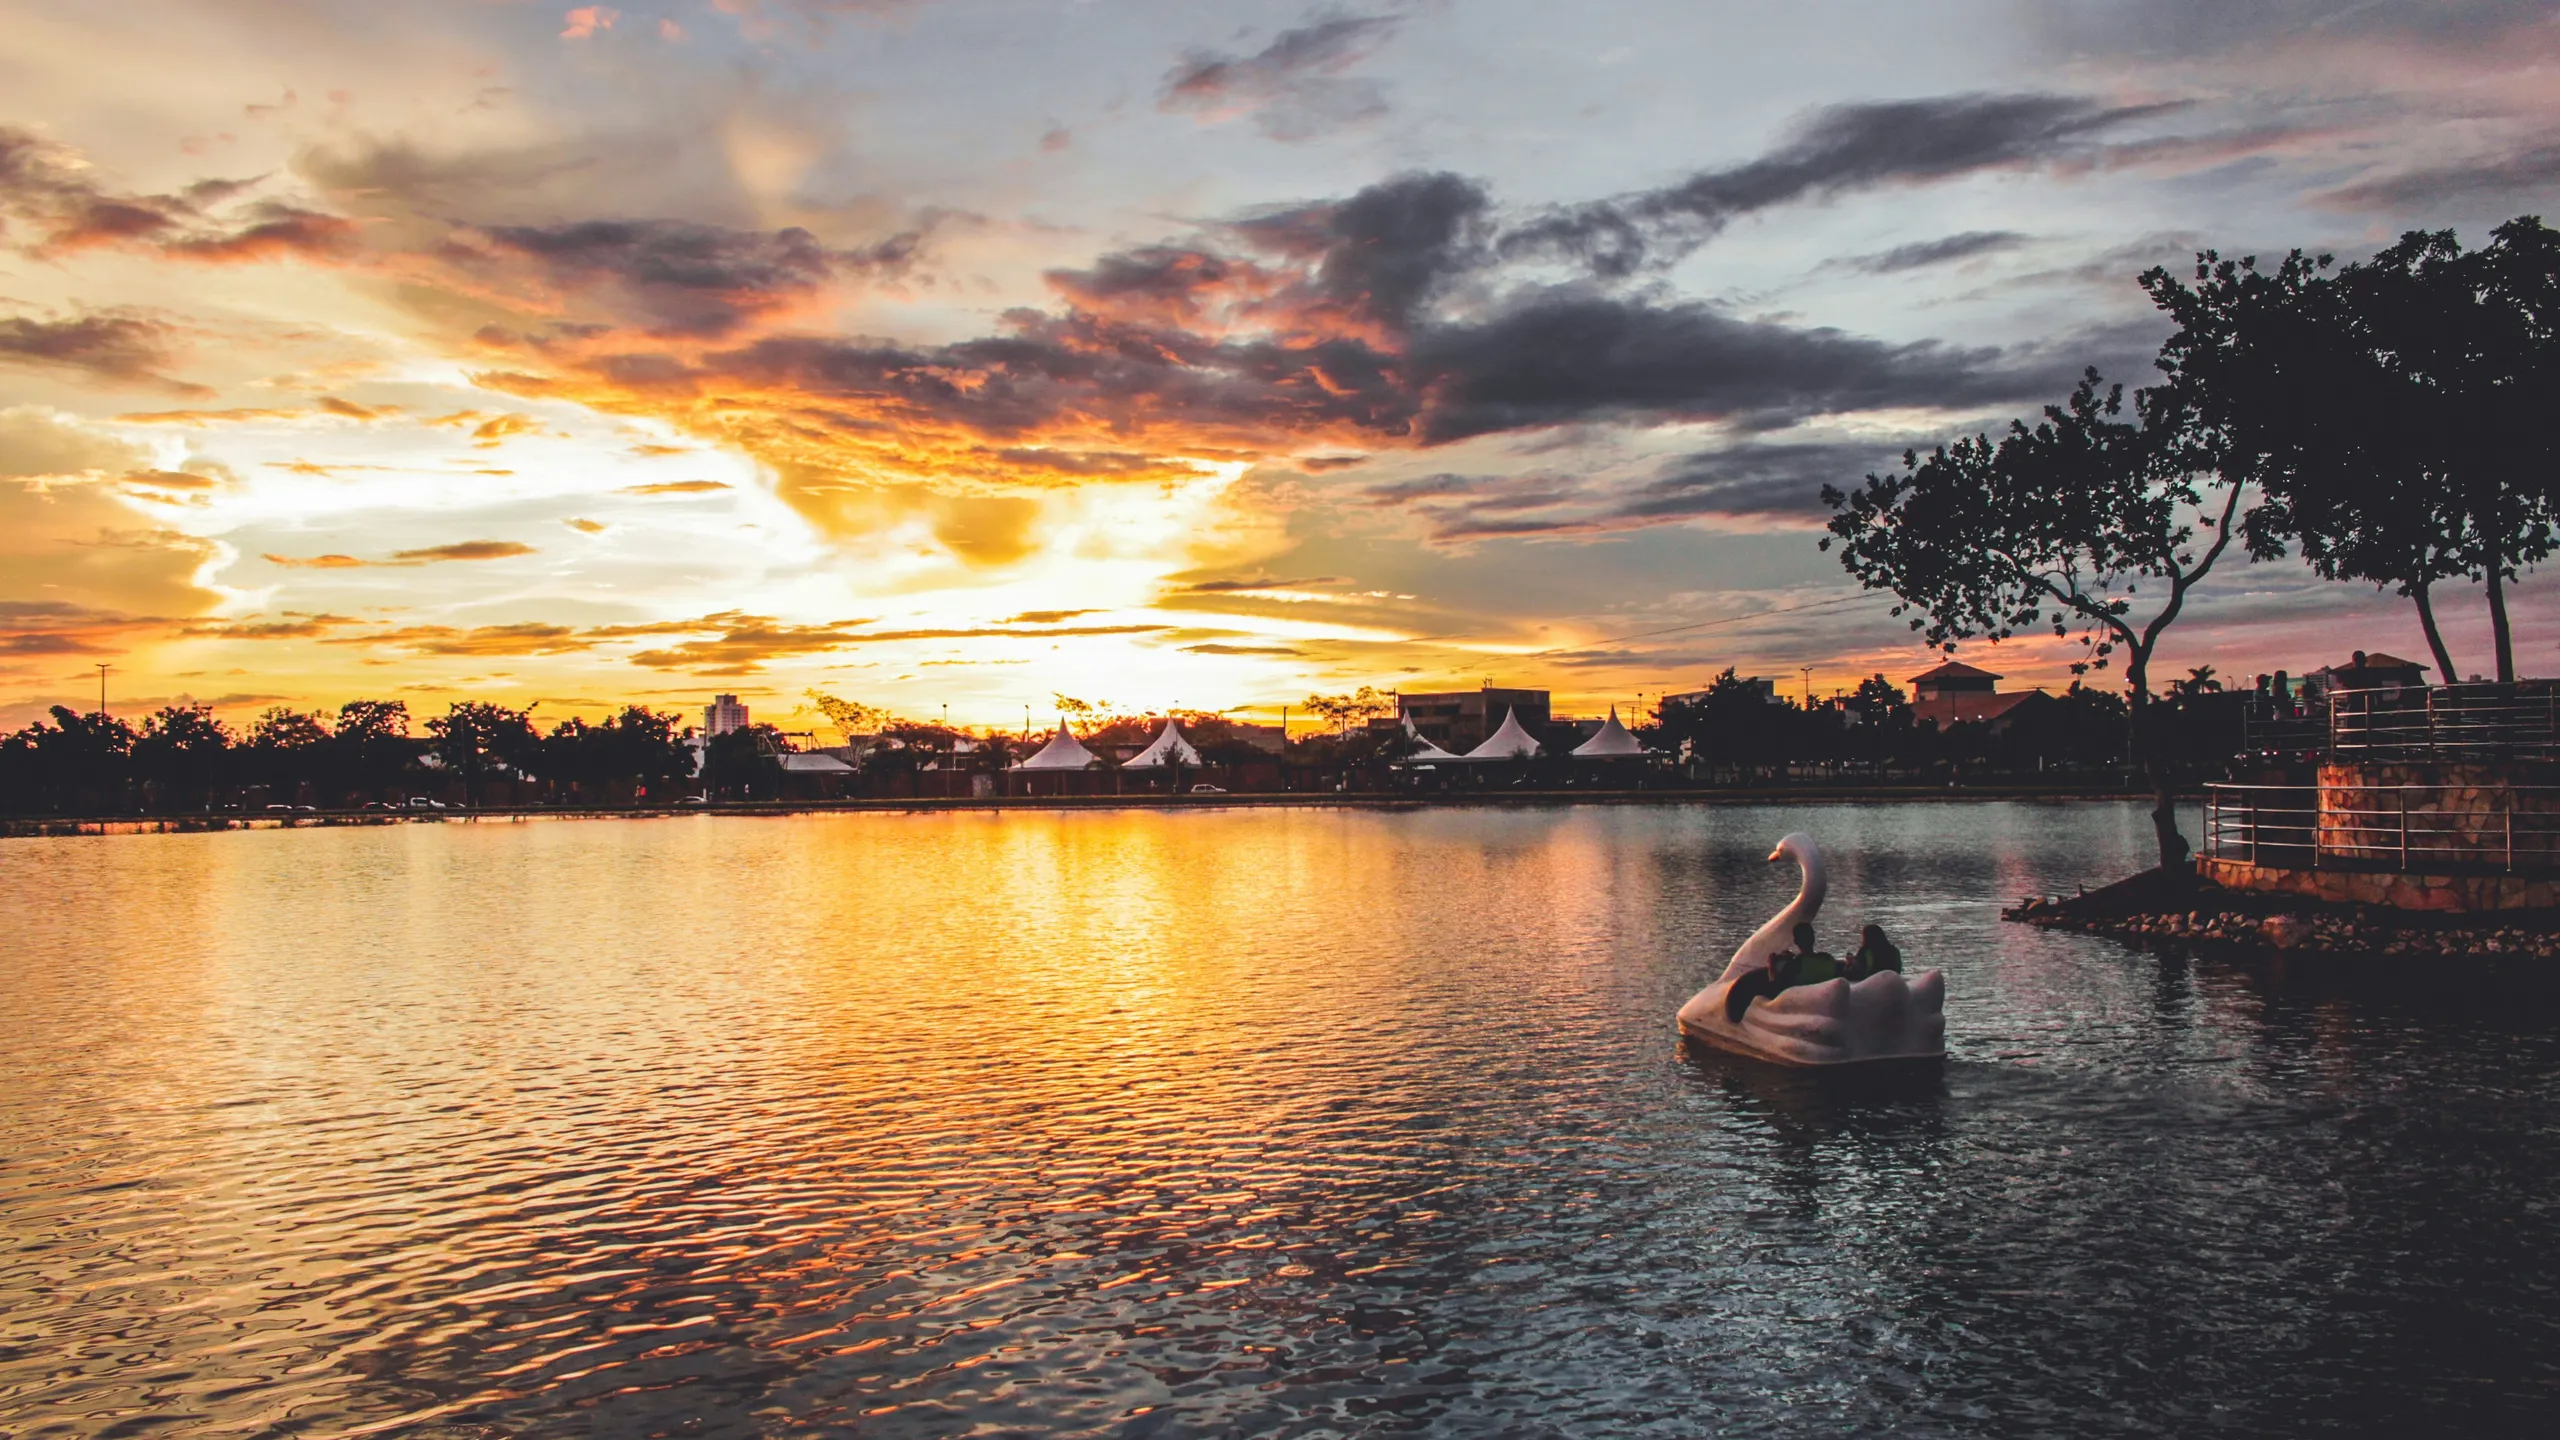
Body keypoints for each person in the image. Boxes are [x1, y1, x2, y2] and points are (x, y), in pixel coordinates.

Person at [1723, 921, 1838, 1022]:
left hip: (1803, 1007)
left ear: (1796, 941)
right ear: (1813, 938)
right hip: (1825, 1007)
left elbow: (1775, 985)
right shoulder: (1828, 959)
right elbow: (1812, 963)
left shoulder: (1797, 964)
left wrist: (1771, 963)